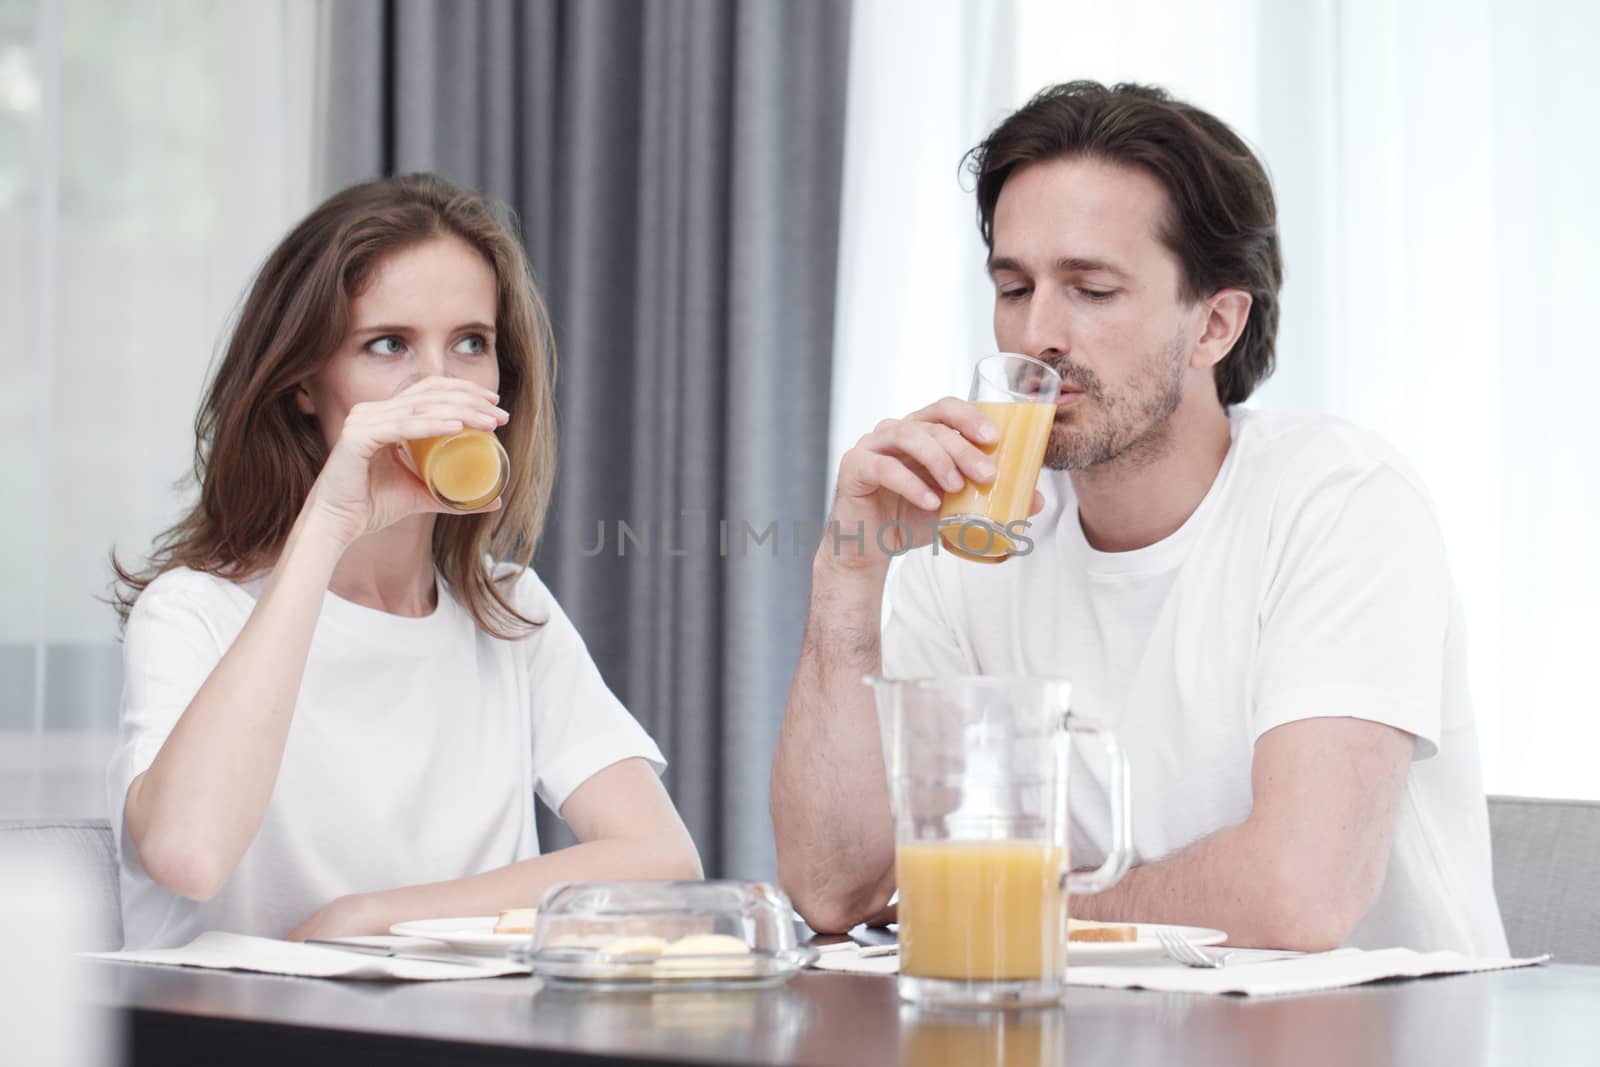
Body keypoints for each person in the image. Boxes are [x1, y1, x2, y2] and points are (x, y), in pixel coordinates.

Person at [771, 82, 1508, 955]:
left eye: (1091, 289)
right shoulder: (967, 540)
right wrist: (848, 578)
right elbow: (834, 889)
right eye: (1014, 287)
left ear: (1216, 325)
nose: (1037, 332)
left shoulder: (1341, 501)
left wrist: (1001, 912)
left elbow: (1299, 896)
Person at [108, 174, 700, 950]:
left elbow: (663, 862)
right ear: (303, 389)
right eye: (388, 345)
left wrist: (373, 917)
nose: (439, 385)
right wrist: (325, 525)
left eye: (471, 344)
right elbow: (188, 855)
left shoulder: (509, 608)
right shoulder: (192, 612)